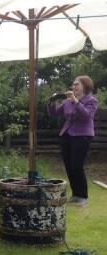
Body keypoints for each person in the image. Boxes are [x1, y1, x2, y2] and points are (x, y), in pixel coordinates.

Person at [48, 75, 98, 207]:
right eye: (73, 84)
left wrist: (75, 100)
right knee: (69, 166)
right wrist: (52, 102)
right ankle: (75, 195)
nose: (73, 87)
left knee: (77, 166)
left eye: (77, 84)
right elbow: (54, 114)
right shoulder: (67, 102)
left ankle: (83, 196)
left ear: (85, 86)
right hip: (67, 135)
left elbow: (87, 116)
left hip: (82, 136)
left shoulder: (91, 100)